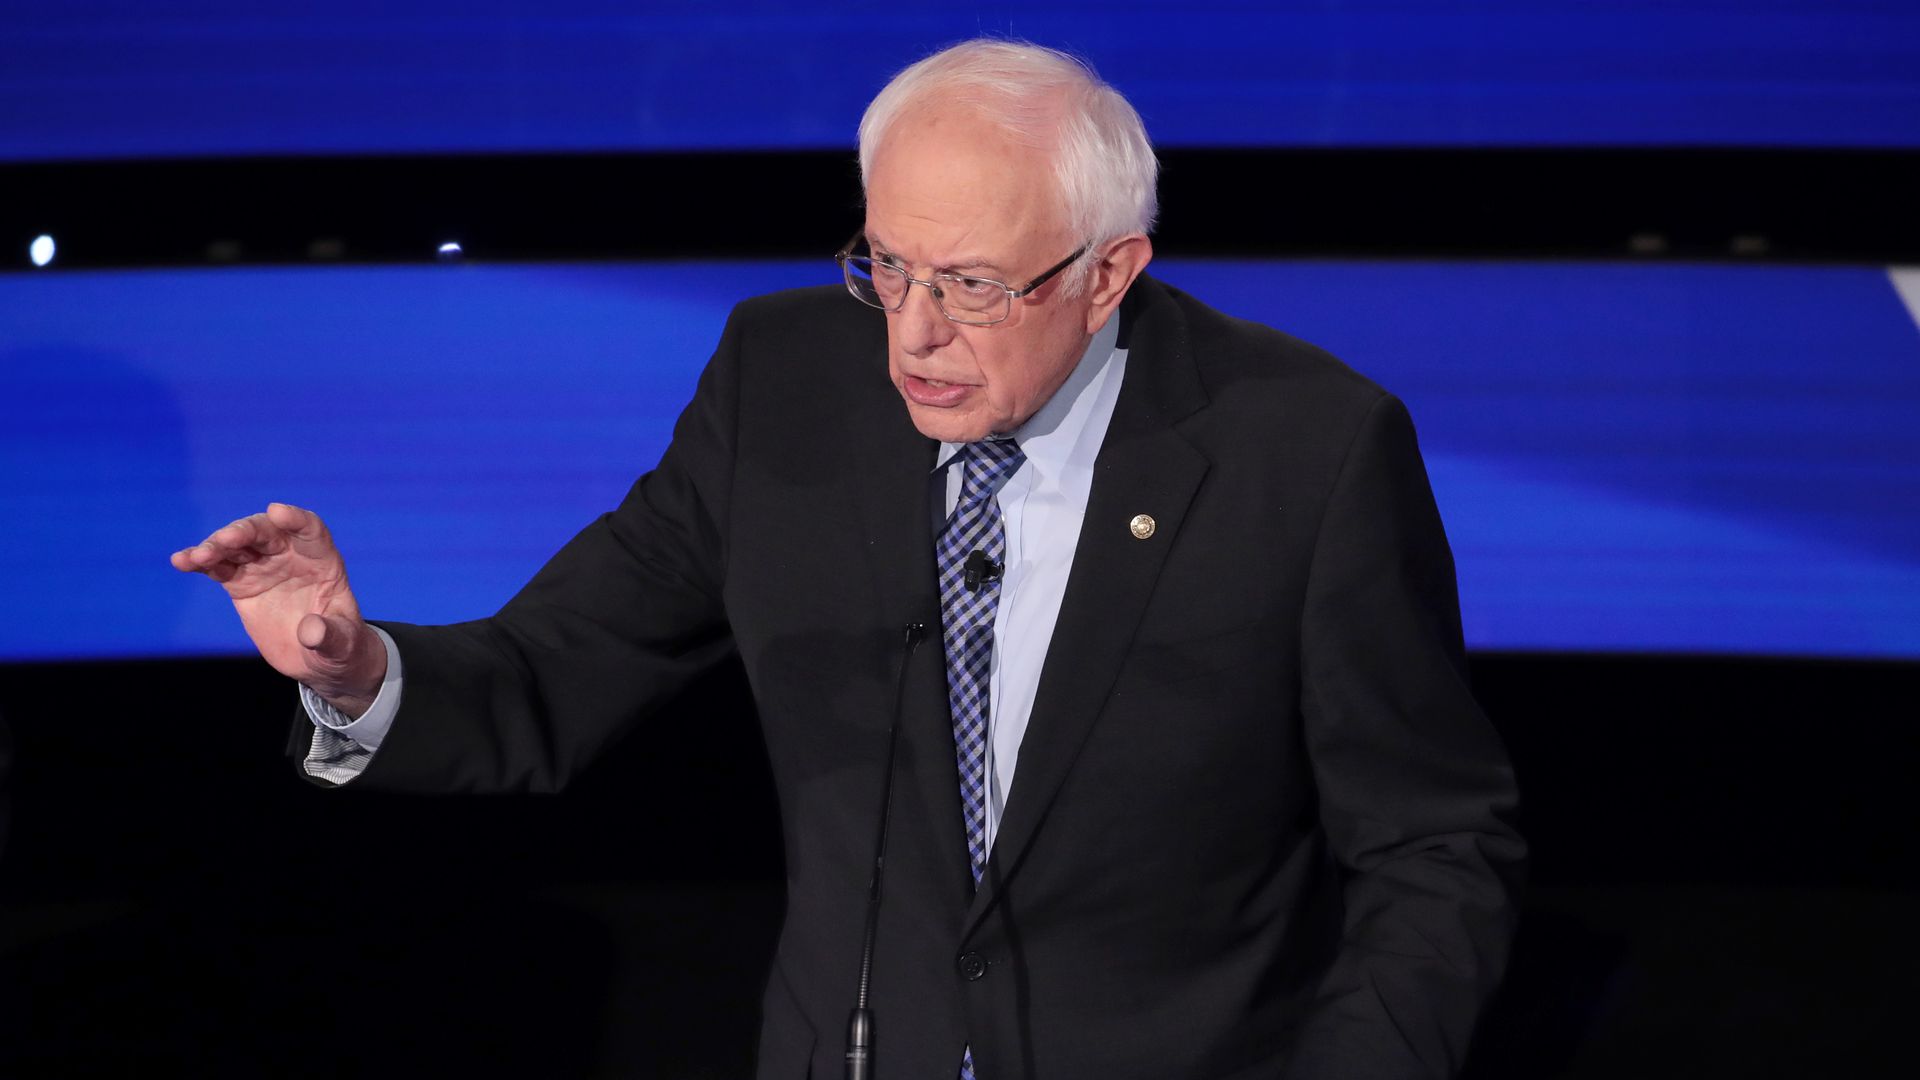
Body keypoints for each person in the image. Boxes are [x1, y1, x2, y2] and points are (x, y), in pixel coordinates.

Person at [172, 39, 1522, 1080]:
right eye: (885, 265)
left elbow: (1435, 842)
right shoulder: (784, 383)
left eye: (973, 285)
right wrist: (357, 674)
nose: (914, 335)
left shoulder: (1305, 450)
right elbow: (555, 669)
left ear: (1108, 275)